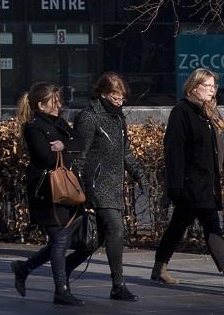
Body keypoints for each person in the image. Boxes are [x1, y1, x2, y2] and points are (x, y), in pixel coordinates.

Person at [152, 69, 224, 289]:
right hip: (191, 182)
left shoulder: (213, 114)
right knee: (210, 223)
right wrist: (175, 185)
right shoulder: (182, 111)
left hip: (208, 182)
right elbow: (174, 151)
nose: (212, 90)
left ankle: (159, 267)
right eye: (207, 86)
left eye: (213, 86)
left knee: (177, 226)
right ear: (194, 88)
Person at [11, 82, 91, 307]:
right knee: (60, 239)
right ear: (41, 105)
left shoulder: (59, 122)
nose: (59, 106)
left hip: (65, 187)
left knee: (73, 240)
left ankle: (24, 268)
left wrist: (63, 145)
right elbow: (45, 157)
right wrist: (65, 150)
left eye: (59, 102)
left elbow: (79, 141)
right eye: (54, 102)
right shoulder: (33, 127)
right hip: (47, 190)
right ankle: (61, 289)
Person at [71, 71, 142, 302]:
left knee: (95, 241)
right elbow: (79, 156)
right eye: (115, 97)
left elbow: (125, 152)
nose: (119, 102)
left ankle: (47, 269)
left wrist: (139, 173)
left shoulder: (119, 118)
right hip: (96, 185)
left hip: (113, 186)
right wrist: (81, 188)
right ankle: (117, 285)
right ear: (101, 93)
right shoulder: (89, 117)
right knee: (116, 229)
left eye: (122, 98)